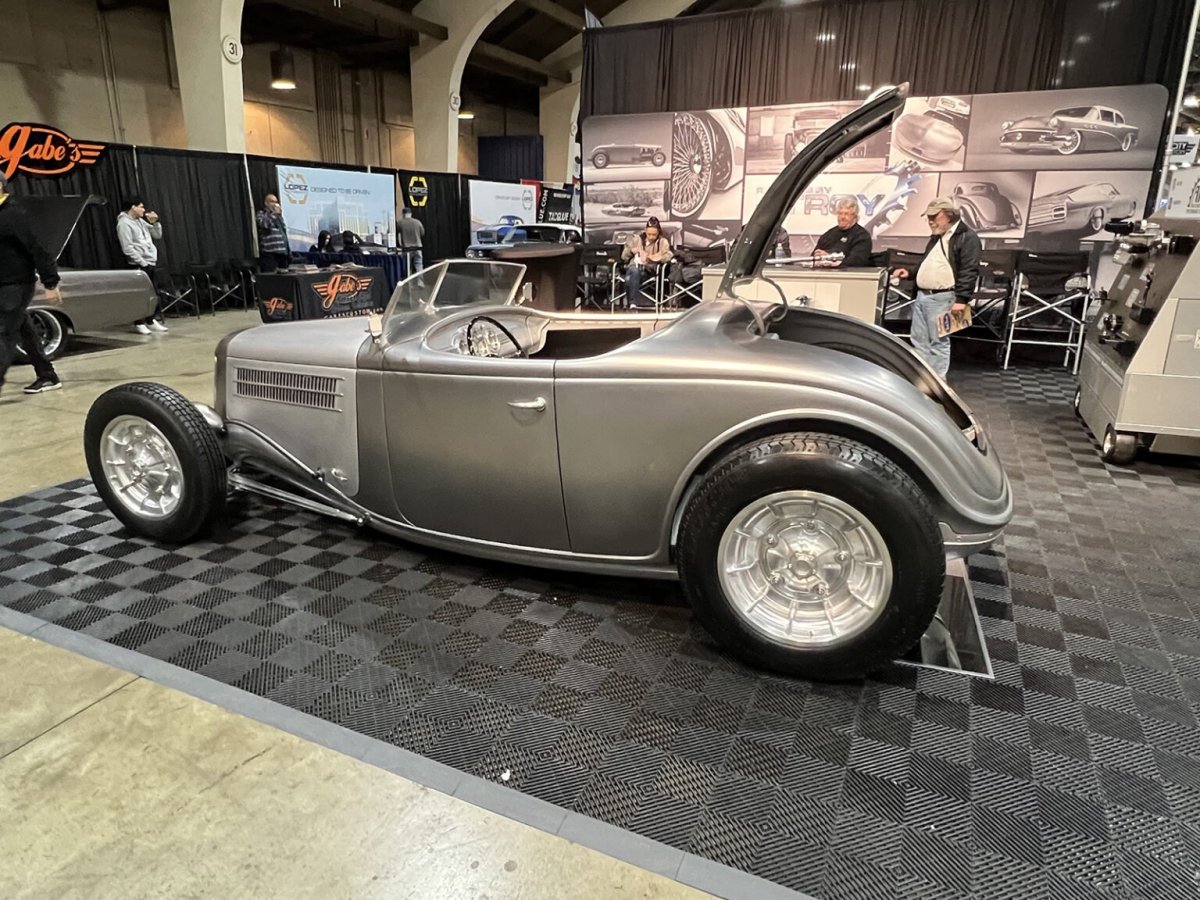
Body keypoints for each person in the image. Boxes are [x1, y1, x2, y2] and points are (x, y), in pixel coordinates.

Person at [893, 197, 981, 377]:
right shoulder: (937, 236)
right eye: (928, 217)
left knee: (938, 342)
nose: (930, 221)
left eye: (934, 216)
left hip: (944, 298)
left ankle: (937, 382)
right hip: (923, 296)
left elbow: (969, 270)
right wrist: (910, 273)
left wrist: (961, 300)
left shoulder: (967, 237)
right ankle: (922, 379)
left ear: (949, 215)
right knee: (919, 340)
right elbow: (928, 261)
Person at [0, 171, 63, 396]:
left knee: (3, 333)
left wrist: (50, 282)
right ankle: (47, 375)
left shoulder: (15, 214)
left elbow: (38, 248)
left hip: (16, 283)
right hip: (2, 284)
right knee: (22, 328)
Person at [116, 196, 167, 334]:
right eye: (141, 207)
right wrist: (142, 262)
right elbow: (127, 247)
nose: (144, 210)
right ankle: (139, 322)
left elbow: (157, 235)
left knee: (153, 294)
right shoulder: (124, 224)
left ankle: (151, 320)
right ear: (133, 207)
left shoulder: (141, 221)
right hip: (138, 265)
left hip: (150, 261)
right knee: (140, 295)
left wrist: (155, 222)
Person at [621, 217, 672, 309]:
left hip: (648, 271)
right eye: (649, 234)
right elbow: (623, 257)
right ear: (645, 231)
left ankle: (631, 303)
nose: (651, 237)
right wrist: (632, 251)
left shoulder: (662, 242)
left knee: (629, 279)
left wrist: (655, 258)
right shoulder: (636, 239)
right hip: (633, 268)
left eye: (654, 235)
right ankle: (632, 303)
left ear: (658, 232)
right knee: (634, 271)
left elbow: (669, 255)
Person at [813, 198, 872, 267]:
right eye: (840, 213)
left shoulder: (862, 236)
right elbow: (813, 257)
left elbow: (857, 262)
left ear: (854, 216)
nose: (842, 217)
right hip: (821, 272)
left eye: (846, 214)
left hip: (847, 272)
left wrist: (830, 258)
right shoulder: (828, 234)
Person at [256, 194, 290, 272]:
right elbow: (264, 224)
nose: (275, 204)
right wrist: (274, 214)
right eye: (272, 202)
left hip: (282, 252)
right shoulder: (261, 213)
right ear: (266, 203)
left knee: (284, 276)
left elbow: (283, 232)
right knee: (271, 276)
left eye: (276, 202)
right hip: (270, 252)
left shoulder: (278, 216)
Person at [397, 207, 425, 272]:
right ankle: (420, 278)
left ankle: (409, 278)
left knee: (407, 266)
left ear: (403, 214)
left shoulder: (400, 223)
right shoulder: (417, 222)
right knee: (419, 265)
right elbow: (422, 233)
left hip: (407, 248)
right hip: (418, 247)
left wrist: (399, 244)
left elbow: (396, 234)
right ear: (411, 214)